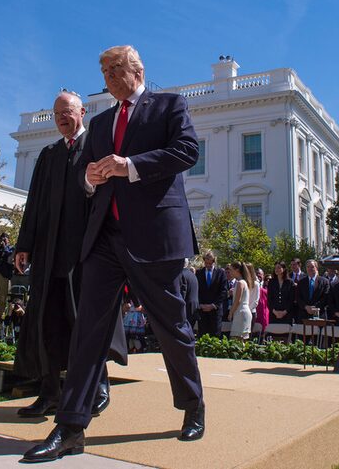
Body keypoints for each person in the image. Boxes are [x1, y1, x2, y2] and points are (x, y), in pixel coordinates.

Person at [22, 45, 204, 463]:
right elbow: (85, 177)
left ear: (136, 69)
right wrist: (90, 176)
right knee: (88, 330)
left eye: (114, 67)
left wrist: (129, 166)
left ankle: (193, 405)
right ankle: (70, 427)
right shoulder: (101, 122)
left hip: (155, 237)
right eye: (103, 70)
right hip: (105, 237)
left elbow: (186, 151)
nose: (106, 75)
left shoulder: (168, 106)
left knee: (170, 327)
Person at [13, 91, 125, 419]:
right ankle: (49, 393)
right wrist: (25, 244)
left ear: (82, 113)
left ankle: (98, 386)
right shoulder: (48, 155)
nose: (62, 118)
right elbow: (34, 204)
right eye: (57, 114)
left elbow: (109, 201)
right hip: (50, 254)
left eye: (67, 112)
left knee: (86, 322)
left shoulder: (96, 149)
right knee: (47, 321)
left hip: (85, 253)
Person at [196, 251, 227, 337]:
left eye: (210, 263)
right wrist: (201, 305)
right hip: (202, 310)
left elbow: (223, 291)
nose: (208, 265)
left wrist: (213, 305)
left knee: (215, 336)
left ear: (214, 261)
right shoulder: (199, 273)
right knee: (202, 335)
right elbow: (197, 290)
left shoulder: (221, 273)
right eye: (206, 263)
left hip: (215, 311)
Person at [228, 262, 253, 341]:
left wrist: (231, 312)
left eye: (231, 270)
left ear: (237, 270)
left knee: (237, 339)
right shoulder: (244, 282)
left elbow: (237, 301)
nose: (230, 272)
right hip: (242, 311)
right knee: (241, 339)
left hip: (240, 312)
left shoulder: (240, 283)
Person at [180, 261, 200, 329]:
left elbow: (182, 293)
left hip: (186, 309)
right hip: (194, 309)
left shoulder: (181, 274)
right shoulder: (192, 275)